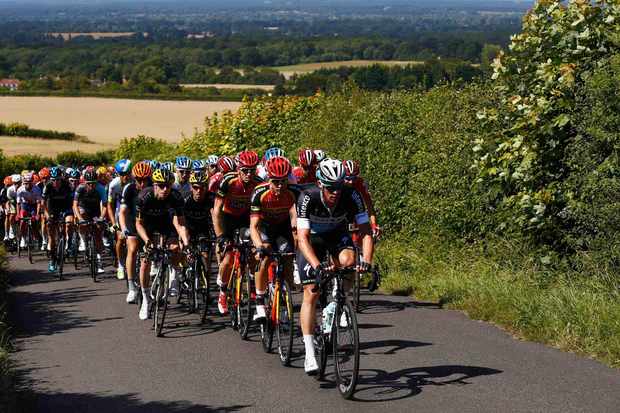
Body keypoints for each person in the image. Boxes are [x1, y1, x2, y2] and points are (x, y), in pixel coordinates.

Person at [296, 158, 374, 374]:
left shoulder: (352, 194)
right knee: (311, 292)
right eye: (331, 188)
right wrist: (316, 265)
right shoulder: (307, 197)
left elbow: (366, 231)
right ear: (320, 184)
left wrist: (366, 261)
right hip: (312, 241)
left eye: (339, 187)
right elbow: (301, 238)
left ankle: (335, 302)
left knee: (350, 262)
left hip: (337, 236)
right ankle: (310, 351)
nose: (336, 193)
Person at [135, 167, 190, 320]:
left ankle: (174, 275)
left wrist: (185, 240)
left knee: (176, 248)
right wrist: (147, 240)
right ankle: (146, 299)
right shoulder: (144, 196)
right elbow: (138, 224)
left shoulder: (175, 196)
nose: (165, 189)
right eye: (161, 185)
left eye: (168, 185)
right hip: (147, 226)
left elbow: (180, 222)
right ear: (154, 185)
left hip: (166, 224)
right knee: (145, 260)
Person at [212, 150, 263, 314]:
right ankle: (223, 292)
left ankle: (253, 285)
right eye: (245, 170)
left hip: (246, 219)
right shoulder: (228, 181)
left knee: (254, 253)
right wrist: (220, 236)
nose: (249, 174)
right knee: (227, 257)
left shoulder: (259, 183)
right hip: (229, 217)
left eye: (252, 170)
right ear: (238, 169)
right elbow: (216, 210)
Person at [249, 156, 298, 321]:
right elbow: (253, 226)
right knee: (264, 258)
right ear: (268, 179)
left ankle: (284, 299)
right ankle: (260, 302)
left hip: (282, 226)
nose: (279, 186)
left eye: (283, 181)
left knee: (288, 259)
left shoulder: (293, 192)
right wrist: (258, 246)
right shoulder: (259, 193)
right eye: (275, 182)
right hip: (264, 227)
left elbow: (297, 219)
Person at [119, 161, 152, 304]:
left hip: (149, 223)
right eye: (139, 180)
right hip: (132, 221)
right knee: (132, 249)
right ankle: (132, 287)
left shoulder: (153, 187)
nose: (142, 183)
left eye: (145, 180)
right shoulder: (129, 188)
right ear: (134, 178)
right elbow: (122, 212)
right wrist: (124, 229)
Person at [74, 169, 107, 274]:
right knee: (81, 216)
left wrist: (101, 217)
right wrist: (80, 219)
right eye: (89, 184)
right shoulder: (80, 188)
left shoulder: (101, 188)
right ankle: (83, 241)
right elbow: (74, 205)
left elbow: (105, 205)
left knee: (98, 233)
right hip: (83, 208)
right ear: (85, 182)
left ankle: (99, 259)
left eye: (93, 184)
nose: (91, 186)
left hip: (95, 210)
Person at [42, 167, 75, 272]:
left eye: (58, 179)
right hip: (53, 209)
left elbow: (74, 201)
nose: (55, 182)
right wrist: (47, 215)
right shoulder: (47, 186)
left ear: (62, 178)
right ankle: (52, 259)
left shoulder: (67, 185)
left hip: (66, 207)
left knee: (69, 223)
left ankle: (69, 242)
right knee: (51, 235)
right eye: (53, 180)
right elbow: (43, 204)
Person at [343, 159, 382, 239]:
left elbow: (369, 205)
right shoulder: (336, 183)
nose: (351, 182)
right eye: (347, 178)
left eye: (353, 178)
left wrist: (374, 224)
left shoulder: (360, 183)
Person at [107, 159, 133, 280]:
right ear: (118, 174)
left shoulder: (135, 181)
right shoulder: (114, 185)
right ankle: (121, 265)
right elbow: (109, 205)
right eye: (122, 174)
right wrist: (113, 223)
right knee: (121, 239)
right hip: (119, 212)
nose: (125, 177)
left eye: (127, 173)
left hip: (132, 211)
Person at [16, 172, 42, 249]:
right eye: (26, 183)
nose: (27, 185)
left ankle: (37, 237)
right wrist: (18, 214)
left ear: (32, 182)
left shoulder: (37, 189)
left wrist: (37, 214)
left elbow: (38, 203)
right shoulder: (20, 189)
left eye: (29, 183)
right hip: (25, 205)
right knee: (22, 221)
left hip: (34, 205)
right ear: (23, 183)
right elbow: (18, 203)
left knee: (34, 222)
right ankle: (23, 239)